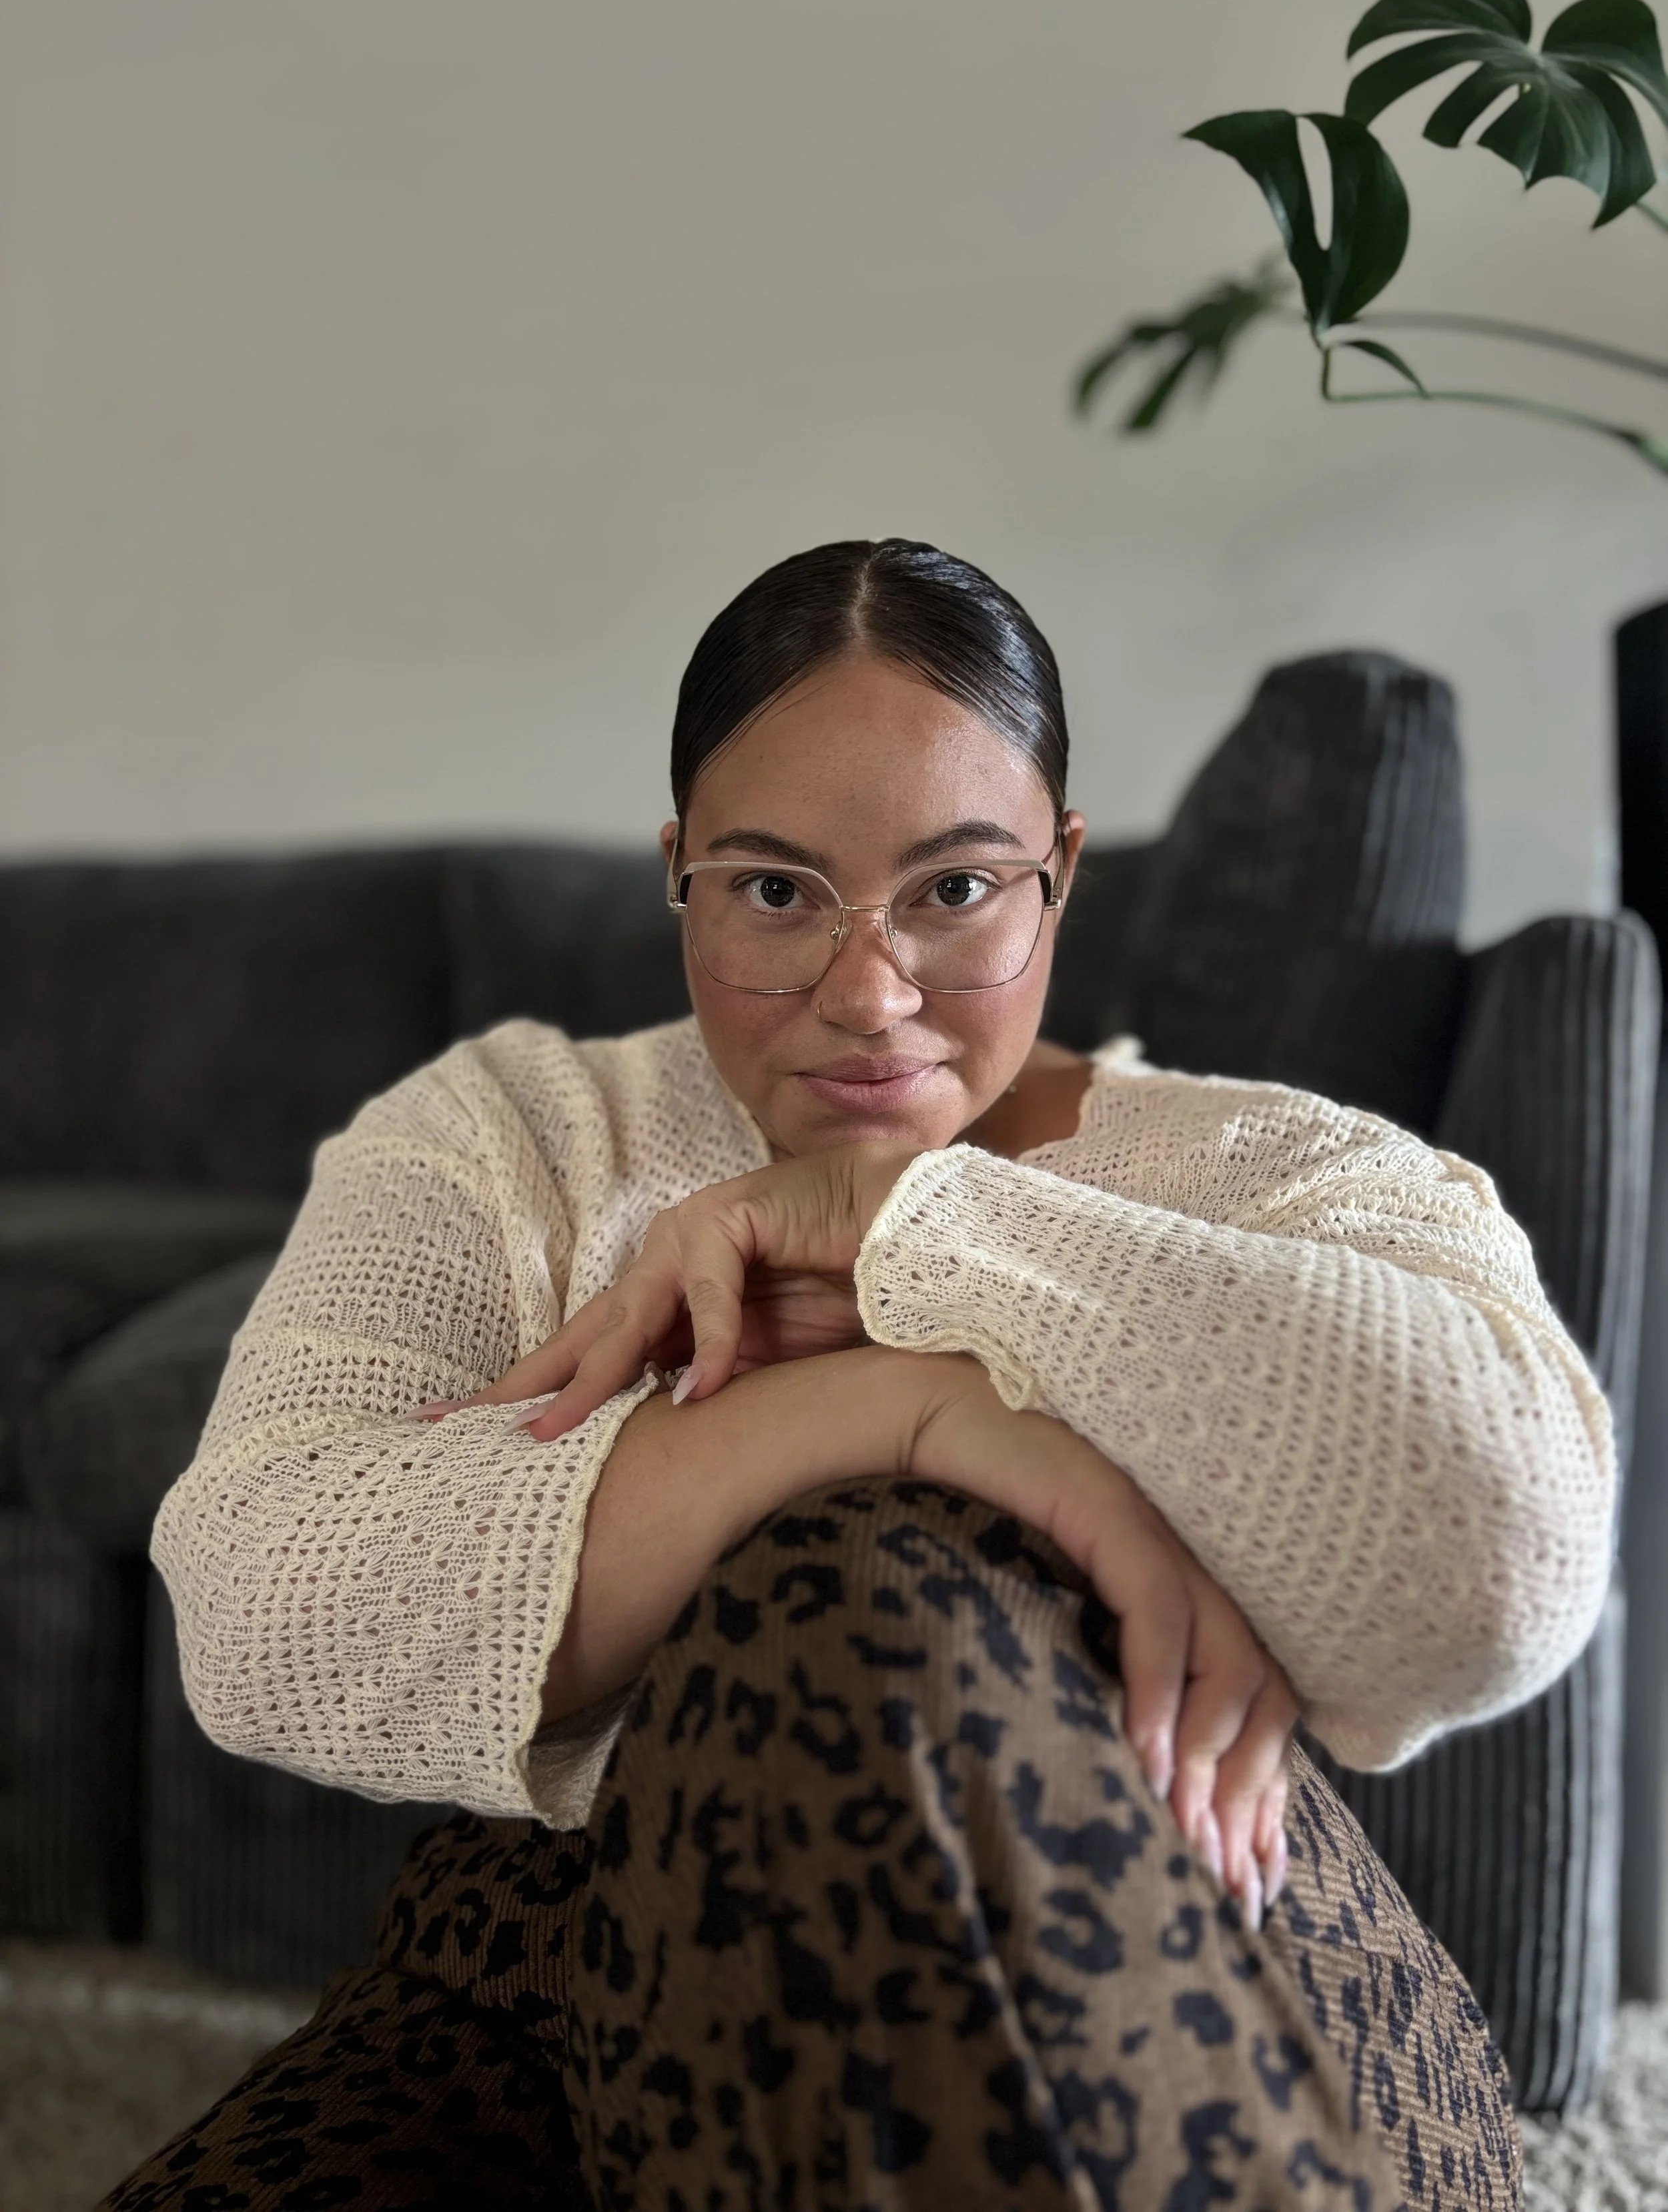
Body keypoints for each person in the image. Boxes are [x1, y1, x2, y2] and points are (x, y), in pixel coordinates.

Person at [109, 539, 1608, 2212]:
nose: (869, 994)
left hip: (1176, 1944)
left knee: (845, 1593)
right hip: (553, 1969)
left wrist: (899, 1218)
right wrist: (897, 1410)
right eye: (773, 892)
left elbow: (1505, 1549)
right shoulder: (515, 1137)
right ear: (678, 871)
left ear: (1060, 873)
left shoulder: (1275, 1172)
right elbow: (257, 1607)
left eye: (955, 889)